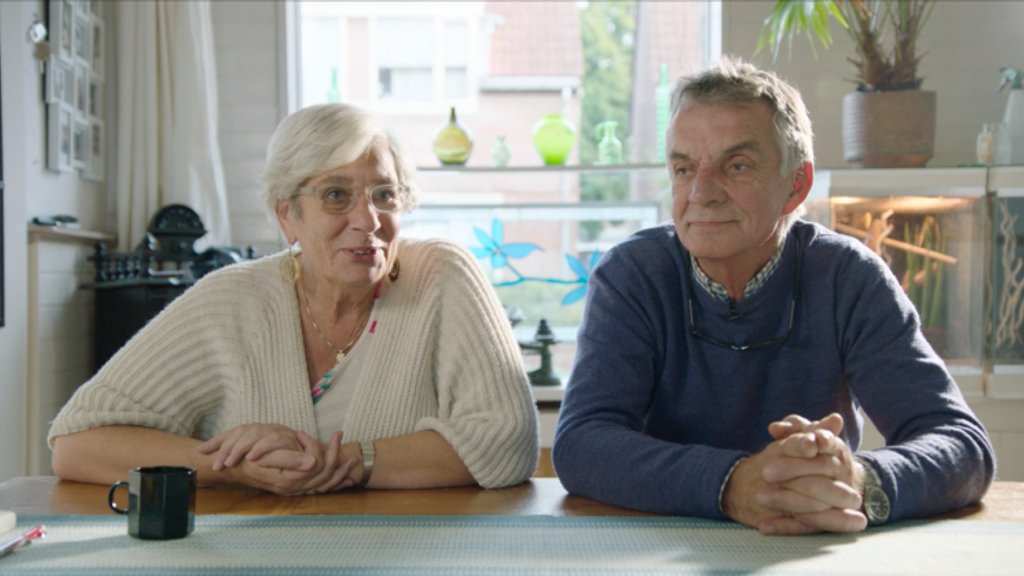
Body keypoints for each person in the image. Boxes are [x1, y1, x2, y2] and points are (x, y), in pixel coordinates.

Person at [552, 57, 995, 535]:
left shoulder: (849, 278)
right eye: (683, 168)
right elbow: (581, 444)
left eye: (736, 166)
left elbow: (962, 444)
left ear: (796, 185)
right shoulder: (633, 276)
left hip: (818, 544)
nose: (701, 192)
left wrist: (859, 480)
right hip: (659, 548)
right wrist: (733, 484)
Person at [50, 103, 539, 495]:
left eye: (384, 194)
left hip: (417, 551)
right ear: (287, 216)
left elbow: (508, 442)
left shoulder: (442, 277)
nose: (368, 220)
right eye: (335, 195)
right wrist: (230, 468)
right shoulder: (231, 300)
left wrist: (345, 463)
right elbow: (77, 443)